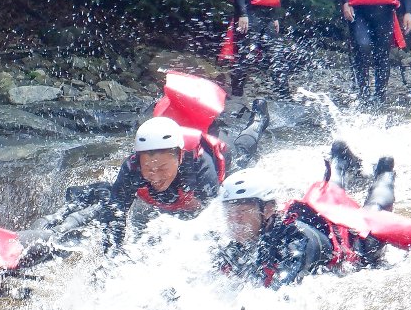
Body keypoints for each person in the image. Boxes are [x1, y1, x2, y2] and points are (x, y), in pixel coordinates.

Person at [49, 72, 268, 245]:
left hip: (223, 156)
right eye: (149, 169)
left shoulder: (200, 168)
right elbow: (116, 214)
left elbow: (213, 219)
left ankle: (258, 119)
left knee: (245, 148)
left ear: (179, 158)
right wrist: (112, 255)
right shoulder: (132, 169)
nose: (155, 176)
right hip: (176, 183)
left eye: (163, 168)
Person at [217, 142, 411, 287]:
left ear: (269, 210)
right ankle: (340, 159)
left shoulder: (296, 245)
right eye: (230, 211)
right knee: (329, 188)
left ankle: (385, 172)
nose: (234, 220)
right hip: (315, 218)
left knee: (374, 209)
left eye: (243, 211)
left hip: (349, 241)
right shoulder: (234, 245)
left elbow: (278, 292)